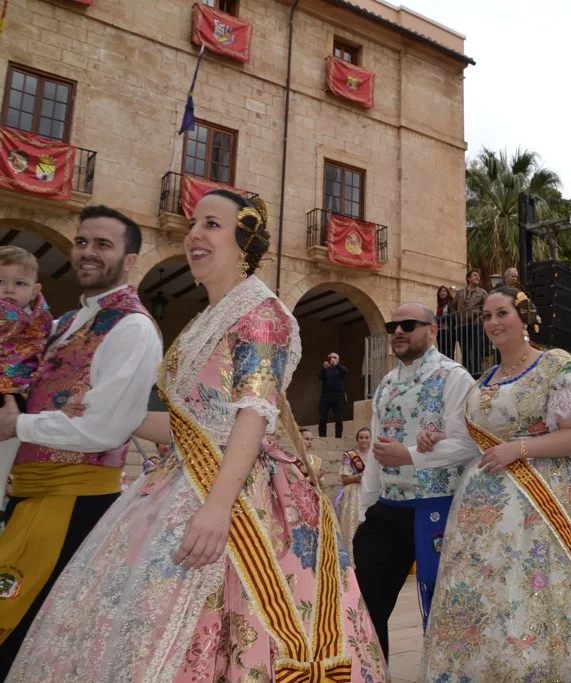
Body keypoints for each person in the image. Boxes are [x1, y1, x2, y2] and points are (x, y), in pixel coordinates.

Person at [5, 191, 387, 681]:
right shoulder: (208, 318)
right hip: (179, 477)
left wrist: (217, 508)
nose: (195, 236)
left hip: (239, 492)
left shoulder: (262, 313)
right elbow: (196, 422)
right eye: (194, 224)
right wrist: (118, 414)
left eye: (212, 224)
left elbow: (254, 415)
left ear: (243, 241)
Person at [422, 288, 571, 680]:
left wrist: (521, 449)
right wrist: (434, 439)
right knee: (493, 595)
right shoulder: (485, 379)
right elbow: (477, 442)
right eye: (487, 316)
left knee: (543, 589)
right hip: (487, 513)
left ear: (524, 317)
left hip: (549, 500)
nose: (493, 323)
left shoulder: (555, 366)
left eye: (502, 313)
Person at [0, 206, 162, 673]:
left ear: (130, 259)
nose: (88, 252)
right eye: (83, 242)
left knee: (22, 632)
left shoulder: (132, 328)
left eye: (103, 245)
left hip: (70, 502)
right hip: (31, 494)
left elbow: (105, 428)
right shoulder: (65, 322)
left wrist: (18, 426)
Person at [353, 302, 477, 658]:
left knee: (445, 609)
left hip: (439, 508)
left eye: (409, 324)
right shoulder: (386, 385)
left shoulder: (454, 377)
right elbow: (377, 454)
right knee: (365, 604)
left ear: (433, 330)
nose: (398, 331)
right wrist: (367, 509)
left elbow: (468, 444)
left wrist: (410, 455)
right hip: (389, 509)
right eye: (393, 325)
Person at [0, 246, 52, 519]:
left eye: (19, 283)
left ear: (35, 289)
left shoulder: (41, 320)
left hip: (23, 398)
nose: (8, 290)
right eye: (0, 282)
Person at [335, 426, 369, 556]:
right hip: (353, 494)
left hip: (371, 493)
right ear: (357, 439)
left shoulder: (374, 456)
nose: (364, 440)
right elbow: (344, 479)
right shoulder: (349, 455)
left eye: (366, 437)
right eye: (361, 437)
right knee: (352, 527)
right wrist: (359, 477)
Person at [449, 269, 487, 377]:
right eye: (475, 275)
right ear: (468, 278)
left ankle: (477, 373)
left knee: (475, 350)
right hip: (462, 325)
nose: (477, 277)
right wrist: (456, 316)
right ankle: (466, 373)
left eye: (478, 276)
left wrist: (479, 319)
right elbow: (453, 305)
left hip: (475, 325)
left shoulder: (482, 292)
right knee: (464, 351)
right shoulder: (460, 293)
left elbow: (487, 307)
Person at [318, 352, 348, 438]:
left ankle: (338, 438)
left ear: (338, 359)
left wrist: (336, 365)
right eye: (330, 357)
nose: (332, 359)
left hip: (338, 397)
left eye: (334, 357)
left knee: (339, 419)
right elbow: (320, 376)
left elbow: (345, 371)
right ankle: (322, 437)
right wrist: (324, 368)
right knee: (322, 418)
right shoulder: (325, 370)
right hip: (325, 397)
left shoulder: (340, 369)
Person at [435, 284, 455, 359]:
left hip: (448, 330)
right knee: (441, 352)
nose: (441, 293)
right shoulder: (439, 306)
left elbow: (452, 316)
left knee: (449, 351)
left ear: (447, 293)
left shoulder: (450, 303)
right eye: (440, 291)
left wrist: (440, 319)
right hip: (440, 331)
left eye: (443, 291)